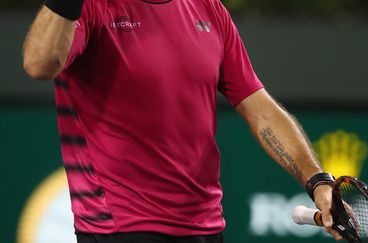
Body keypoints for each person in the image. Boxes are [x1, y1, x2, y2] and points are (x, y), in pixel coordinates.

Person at [23, 0, 342, 242]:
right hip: (118, 227)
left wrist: (316, 180)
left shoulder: (208, 8)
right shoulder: (92, 6)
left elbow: (259, 107)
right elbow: (39, 64)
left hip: (204, 226)